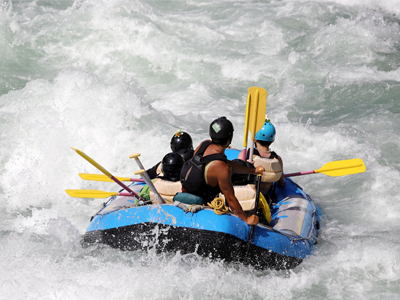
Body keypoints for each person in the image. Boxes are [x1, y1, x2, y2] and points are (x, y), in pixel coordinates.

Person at [180, 117, 265, 226]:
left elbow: (225, 163)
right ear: (230, 137)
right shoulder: (222, 168)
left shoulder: (204, 144)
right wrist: (246, 219)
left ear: (211, 136)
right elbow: (230, 198)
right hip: (203, 204)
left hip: (186, 192)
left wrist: (253, 170)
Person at [238, 117, 285, 197]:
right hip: (265, 199)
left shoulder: (245, 155)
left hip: (246, 197)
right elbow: (281, 184)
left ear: (255, 139)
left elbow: (234, 177)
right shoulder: (277, 159)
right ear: (272, 141)